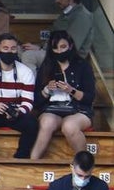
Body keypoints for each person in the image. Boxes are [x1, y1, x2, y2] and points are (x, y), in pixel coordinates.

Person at [30, 30, 95, 160]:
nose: (60, 51)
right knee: (47, 123)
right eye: (55, 48)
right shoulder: (47, 66)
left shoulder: (83, 66)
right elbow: (36, 100)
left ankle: (84, 165)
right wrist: (47, 90)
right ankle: (32, 161)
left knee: (69, 126)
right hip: (52, 109)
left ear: (70, 46)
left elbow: (89, 98)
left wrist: (71, 90)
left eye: (63, 47)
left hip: (78, 110)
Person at [22, 0, 95, 67]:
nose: (56, 0)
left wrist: (41, 49)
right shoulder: (65, 14)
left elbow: (69, 46)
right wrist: (39, 47)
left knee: (28, 56)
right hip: (52, 53)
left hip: (68, 60)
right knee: (18, 50)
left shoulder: (82, 16)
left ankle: (32, 81)